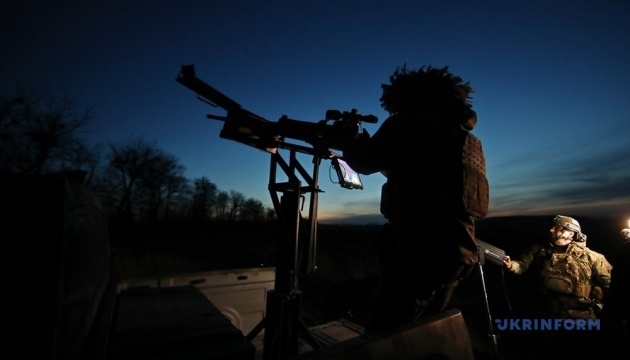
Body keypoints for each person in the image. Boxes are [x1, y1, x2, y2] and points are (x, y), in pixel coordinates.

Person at [341, 65, 489, 334]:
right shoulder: (463, 136)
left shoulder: (413, 120)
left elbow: (366, 161)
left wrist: (349, 140)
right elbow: (421, 172)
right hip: (459, 250)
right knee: (425, 334)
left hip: (419, 249)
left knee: (386, 337)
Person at [502, 215, 612, 320]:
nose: (551, 230)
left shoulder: (593, 257)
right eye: (552, 227)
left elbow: (609, 285)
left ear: (571, 233)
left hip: (581, 316)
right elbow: (521, 265)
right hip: (547, 313)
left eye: (557, 228)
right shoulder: (539, 250)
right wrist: (510, 265)